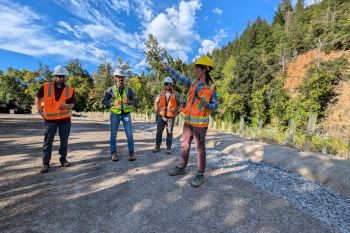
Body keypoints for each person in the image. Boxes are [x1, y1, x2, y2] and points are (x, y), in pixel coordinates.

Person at [161, 56, 218, 187]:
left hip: (200, 124)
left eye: (198, 68)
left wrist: (207, 105)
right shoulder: (193, 83)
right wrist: (168, 69)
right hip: (188, 123)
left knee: (199, 148)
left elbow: (215, 106)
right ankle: (181, 166)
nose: (196, 70)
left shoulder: (212, 87)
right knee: (184, 145)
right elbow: (180, 77)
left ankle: (200, 174)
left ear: (205, 69)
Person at [36, 65, 76, 173]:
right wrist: (39, 109)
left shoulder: (69, 89)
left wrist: (67, 106)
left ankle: (63, 159)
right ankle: (45, 164)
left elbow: (73, 104)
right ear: (54, 76)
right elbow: (38, 97)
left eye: (63, 76)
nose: (61, 78)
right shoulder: (45, 86)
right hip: (50, 120)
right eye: (59, 76)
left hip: (65, 119)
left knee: (64, 141)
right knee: (48, 141)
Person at [102, 69, 137, 162]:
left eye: (122, 77)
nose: (120, 78)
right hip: (115, 115)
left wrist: (129, 101)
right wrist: (113, 103)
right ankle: (113, 153)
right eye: (118, 76)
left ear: (124, 78)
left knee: (129, 134)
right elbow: (104, 101)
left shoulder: (128, 90)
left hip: (126, 114)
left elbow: (135, 101)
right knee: (113, 135)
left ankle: (131, 152)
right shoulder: (110, 90)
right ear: (115, 78)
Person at [153, 77, 182, 154]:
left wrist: (178, 111)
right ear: (164, 84)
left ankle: (168, 148)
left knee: (169, 132)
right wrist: (156, 110)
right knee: (159, 131)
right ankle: (157, 147)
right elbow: (155, 102)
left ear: (172, 84)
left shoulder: (176, 94)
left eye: (170, 83)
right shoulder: (161, 93)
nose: (168, 85)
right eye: (166, 83)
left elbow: (182, 103)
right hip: (161, 116)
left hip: (171, 117)